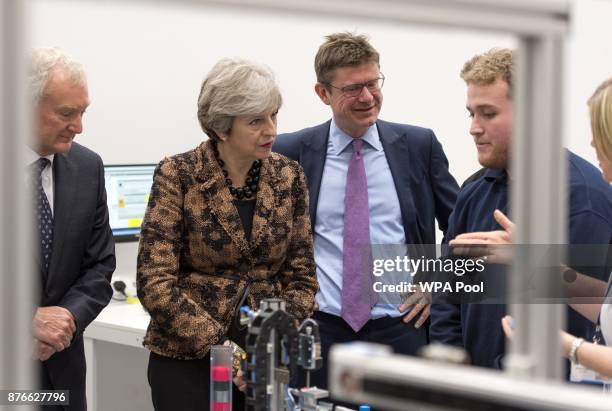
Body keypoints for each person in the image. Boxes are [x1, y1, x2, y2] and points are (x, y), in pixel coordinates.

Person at [273, 32, 459, 391]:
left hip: (403, 330)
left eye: (373, 83)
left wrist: (438, 282)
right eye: (352, 88)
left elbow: (461, 228)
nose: (368, 97)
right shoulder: (292, 151)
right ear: (323, 93)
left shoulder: (419, 146)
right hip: (320, 331)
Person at [137, 58, 318, 411]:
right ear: (221, 127)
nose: (271, 130)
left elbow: (303, 277)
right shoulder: (178, 174)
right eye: (255, 121)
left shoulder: (289, 176)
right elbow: (154, 281)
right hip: (188, 359)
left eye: (273, 115)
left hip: (267, 362)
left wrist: (271, 343)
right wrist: (227, 353)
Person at [429, 48, 612, 369]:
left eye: (488, 113)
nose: (474, 127)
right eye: (470, 113)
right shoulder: (474, 191)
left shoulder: (581, 196)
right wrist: (453, 367)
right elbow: (449, 295)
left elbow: (588, 322)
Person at [499, 77, 612, 379]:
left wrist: (564, 344)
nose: (591, 144)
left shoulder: (584, 194)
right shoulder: (475, 188)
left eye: (598, 135)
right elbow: (606, 304)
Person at [29, 47, 116, 411]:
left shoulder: (87, 167)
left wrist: (66, 319)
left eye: (83, 112)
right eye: (67, 113)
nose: (79, 126)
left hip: (62, 373)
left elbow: (99, 266)